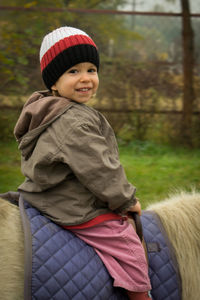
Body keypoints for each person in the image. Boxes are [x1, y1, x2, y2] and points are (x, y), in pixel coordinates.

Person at [14, 26, 151, 300]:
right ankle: (140, 295)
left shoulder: (51, 109)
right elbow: (99, 170)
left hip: (48, 195)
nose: (85, 78)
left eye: (91, 69)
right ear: (53, 81)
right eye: (73, 71)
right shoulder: (72, 120)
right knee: (129, 248)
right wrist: (126, 201)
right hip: (72, 205)